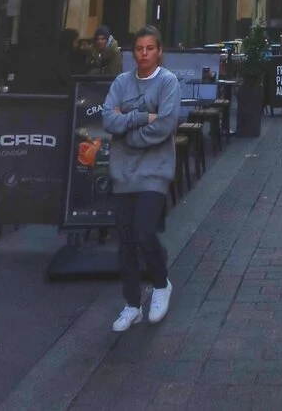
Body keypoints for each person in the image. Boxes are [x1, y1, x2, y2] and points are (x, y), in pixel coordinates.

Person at [102, 26, 182, 333]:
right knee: (125, 241)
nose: (144, 54)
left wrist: (128, 134)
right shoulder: (121, 82)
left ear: (160, 51)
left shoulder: (167, 82)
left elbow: (165, 125)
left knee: (145, 231)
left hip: (155, 171)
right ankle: (132, 303)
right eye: (139, 48)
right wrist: (140, 118)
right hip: (123, 172)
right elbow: (108, 118)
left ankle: (161, 284)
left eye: (150, 48)